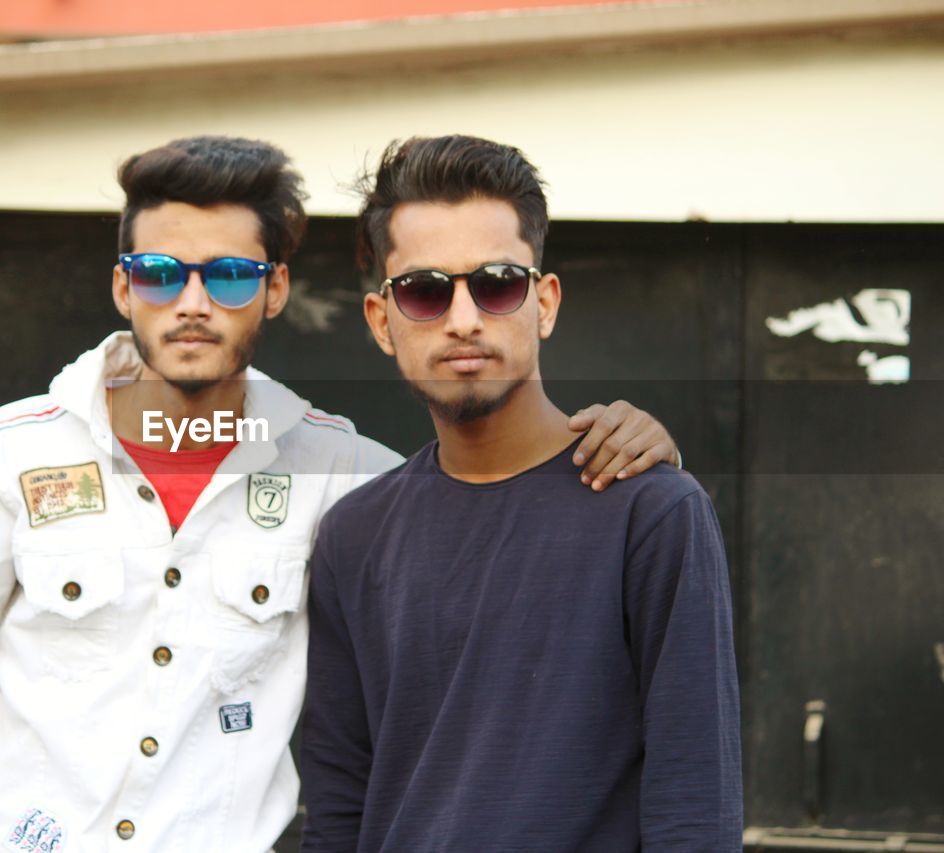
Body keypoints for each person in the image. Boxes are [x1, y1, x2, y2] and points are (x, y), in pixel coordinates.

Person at [0, 136, 681, 852]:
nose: (192, 302)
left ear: (277, 287)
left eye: (228, 274)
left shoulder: (346, 474)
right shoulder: (11, 454)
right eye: (160, 274)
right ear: (124, 288)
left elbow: (484, 489)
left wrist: (636, 442)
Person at [300, 135, 742, 851]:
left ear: (545, 302)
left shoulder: (650, 512)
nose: (464, 317)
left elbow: (695, 806)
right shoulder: (355, 535)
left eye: (497, 282)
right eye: (424, 290)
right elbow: (338, 809)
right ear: (383, 321)